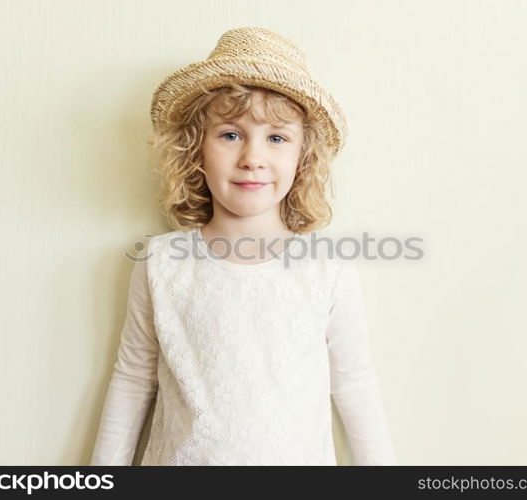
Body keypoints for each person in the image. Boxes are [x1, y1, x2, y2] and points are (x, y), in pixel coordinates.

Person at [89, 26, 397, 466]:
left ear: (301, 158)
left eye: (276, 137)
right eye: (230, 134)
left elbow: (354, 383)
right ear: (196, 149)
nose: (252, 157)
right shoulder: (161, 264)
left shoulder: (327, 269)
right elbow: (134, 379)